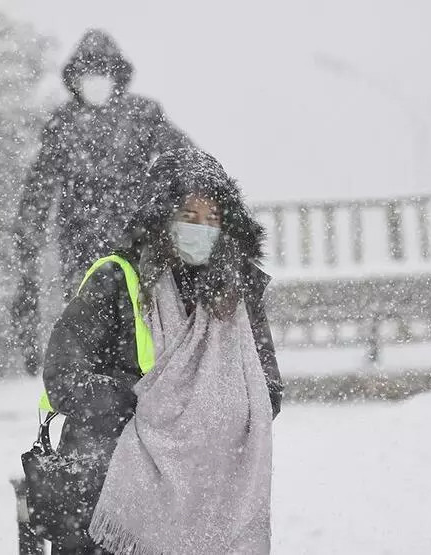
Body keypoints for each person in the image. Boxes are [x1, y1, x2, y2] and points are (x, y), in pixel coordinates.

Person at [42, 148, 283, 554]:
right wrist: (135, 408)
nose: (201, 229)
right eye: (189, 217)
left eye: (212, 219)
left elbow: (268, 387)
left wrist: (211, 413)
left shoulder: (237, 294)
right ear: (161, 219)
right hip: (113, 481)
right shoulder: (117, 280)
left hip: (209, 485)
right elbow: (63, 373)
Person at [12, 28, 190, 375]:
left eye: (101, 73)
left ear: (115, 76)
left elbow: (182, 157)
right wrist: (28, 233)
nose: (95, 81)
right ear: (75, 80)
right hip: (81, 247)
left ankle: (142, 388)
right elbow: (38, 188)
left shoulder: (142, 116)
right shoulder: (63, 124)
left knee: (139, 323)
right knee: (90, 327)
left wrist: (182, 204)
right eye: (87, 74)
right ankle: (98, 394)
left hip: (136, 242)